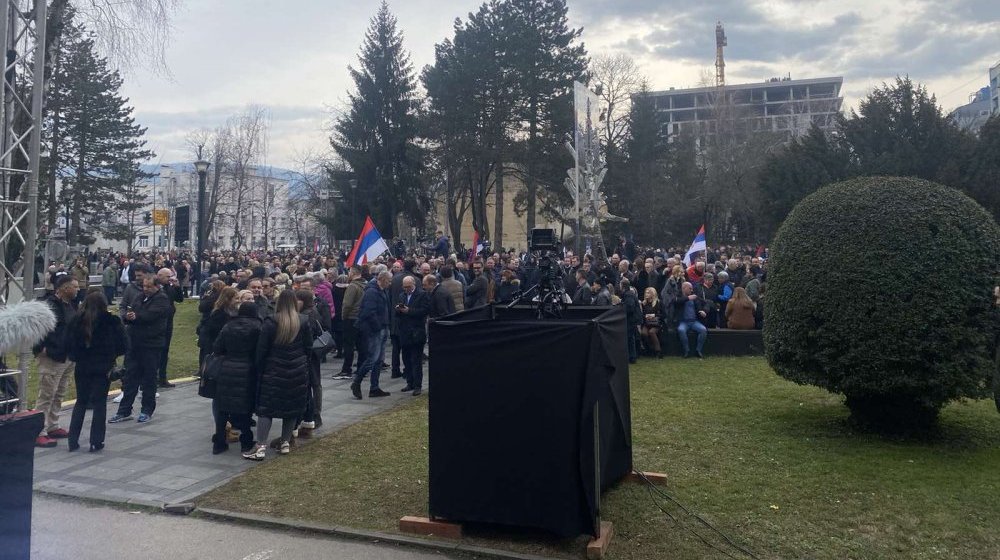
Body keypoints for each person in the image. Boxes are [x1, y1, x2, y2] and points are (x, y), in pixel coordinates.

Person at [245, 289, 311, 460]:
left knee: (266, 409)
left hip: (273, 370)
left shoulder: (270, 321)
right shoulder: (303, 321)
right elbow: (308, 347)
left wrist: (260, 368)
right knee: (291, 408)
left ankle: (260, 446)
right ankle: (285, 442)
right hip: (297, 370)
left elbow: (262, 349)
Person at [65, 291, 127, 452]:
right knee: (100, 403)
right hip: (103, 367)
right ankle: (96, 441)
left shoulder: (77, 321)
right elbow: (123, 345)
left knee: (81, 401)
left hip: (82, 366)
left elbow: (69, 344)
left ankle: (73, 440)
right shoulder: (111, 321)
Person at [109, 276, 171, 424]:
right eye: (144, 286)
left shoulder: (162, 299)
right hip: (134, 344)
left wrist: (136, 317)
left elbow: (149, 316)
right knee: (130, 378)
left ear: (157, 286)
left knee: (149, 379)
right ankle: (124, 411)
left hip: (151, 345)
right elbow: (131, 310)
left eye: (149, 286)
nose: (145, 289)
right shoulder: (140, 297)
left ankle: (147, 410)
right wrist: (128, 316)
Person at [32, 275, 79, 447]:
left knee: (59, 392)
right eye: (75, 286)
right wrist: (42, 349)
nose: (78, 289)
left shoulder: (71, 305)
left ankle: (52, 424)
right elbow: (38, 329)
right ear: (65, 288)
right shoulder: (49, 305)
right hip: (52, 356)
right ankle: (39, 431)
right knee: (46, 394)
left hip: (67, 356)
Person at [211, 302, 261, 455]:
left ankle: (219, 442)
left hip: (227, 369)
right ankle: (246, 442)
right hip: (248, 370)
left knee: (223, 407)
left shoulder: (228, 325)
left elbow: (217, 347)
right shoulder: (257, 327)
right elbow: (260, 350)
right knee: (245, 407)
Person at [350, 270, 392, 400]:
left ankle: (374, 387)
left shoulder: (381, 290)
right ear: (383, 279)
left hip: (382, 327)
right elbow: (369, 312)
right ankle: (357, 382)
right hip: (375, 330)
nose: (390, 283)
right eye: (389, 281)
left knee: (379, 360)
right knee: (372, 359)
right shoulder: (372, 292)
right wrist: (378, 326)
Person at [396, 276, 430, 396]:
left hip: (416, 332)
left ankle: (417, 385)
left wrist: (409, 311)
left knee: (416, 360)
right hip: (405, 332)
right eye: (404, 287)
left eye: (408, 287)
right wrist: (399, 310)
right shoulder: (402, 295)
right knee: (406, 360)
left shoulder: (422, 295)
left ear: (414, 284)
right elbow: (397, 314)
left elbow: (424, 311)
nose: (406, 289)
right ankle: (409, 382)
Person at [156, 267, 184, 388]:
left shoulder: (169, 288)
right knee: (156, 351)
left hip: (168, 323)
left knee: (165, 350)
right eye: (168, 277)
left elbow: (180, 299)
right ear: (160, 276)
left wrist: (177, 287)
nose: (170, 279)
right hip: (157, 323)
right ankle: (154, 377)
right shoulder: (155, 287)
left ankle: (162, 377)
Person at [337, 266, 366, 379]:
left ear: (353, 273)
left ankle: (346, 369)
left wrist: (343, 316)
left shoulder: (352, 286)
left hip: (351, 318)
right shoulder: (365, 285)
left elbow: (347, 304)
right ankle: (361, 368)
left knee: (348, 345)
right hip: (361, 317)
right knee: (361, 345)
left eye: (349, 272)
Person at [673, 282, 709, 358]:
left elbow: (706, 303)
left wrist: (704, 311)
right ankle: (687, 350)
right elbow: (676, 301)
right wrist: (688, 298)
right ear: (684, 288)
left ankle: (698, 350)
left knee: (703, 330)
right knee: (681, 330)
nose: (692, 290)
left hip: (694, 321)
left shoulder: (694, 297)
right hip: (683, 322)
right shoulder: (678, 295)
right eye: (690, 288)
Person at [620, 279, 642, 363]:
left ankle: (632, 357)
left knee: (630, 338)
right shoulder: (630, 294)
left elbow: (630, 307)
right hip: (633, 318)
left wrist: (622, 309)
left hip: (631, 319)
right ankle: (632, 356)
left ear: (622, 286)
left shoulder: (628, 295)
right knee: (630, 338)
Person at [640, 287, 664, 358]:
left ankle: (658, 351)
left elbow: (664, 314)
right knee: (644, 333)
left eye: (648, 293)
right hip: (647, 323)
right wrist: (645, 316)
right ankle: (650, 348)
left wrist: (654, 315)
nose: (646, 294)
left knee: (652, 332)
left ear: (652, 294)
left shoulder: (658, 302)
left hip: (656, 323)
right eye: (646, 293)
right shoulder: (643, 303)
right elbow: (641, 314)